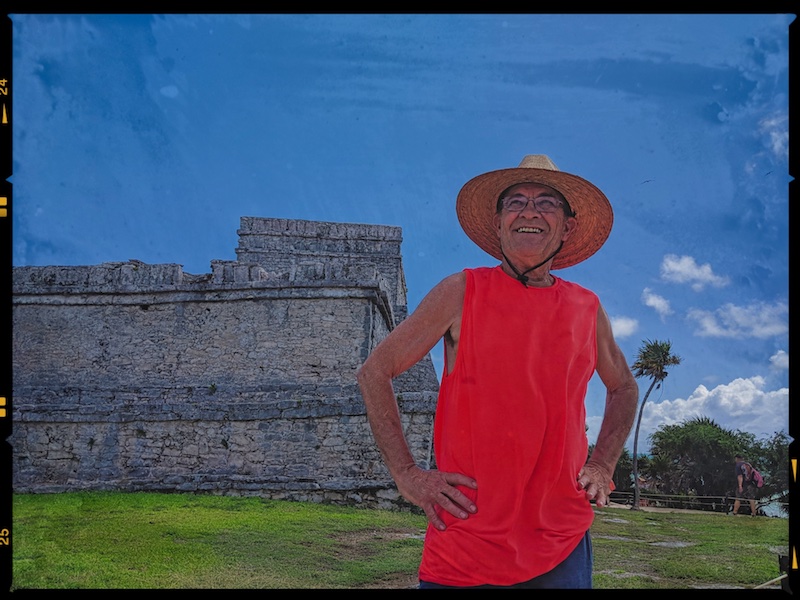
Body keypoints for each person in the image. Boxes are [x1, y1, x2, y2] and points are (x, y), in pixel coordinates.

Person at [356, 154, 639, 589]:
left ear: (566, 228)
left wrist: (601, 464)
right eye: (515, 202)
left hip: (560, 537)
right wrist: (407, 475)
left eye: (546, 202)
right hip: (466, 537)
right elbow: (375, 371)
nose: (529, 211)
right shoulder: (461, 291)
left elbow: (623, 387)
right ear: (500, 224)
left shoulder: (587, 308)